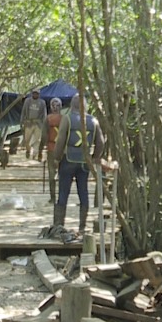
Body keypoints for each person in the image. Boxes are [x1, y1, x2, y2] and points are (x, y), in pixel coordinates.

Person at [52, 93, 104, 235]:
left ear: (72, 105)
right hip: (84, 162)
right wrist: (94, 157)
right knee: (83, 192)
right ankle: (82, 226)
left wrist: (56, 158)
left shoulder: (67, 119)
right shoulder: (93, 121)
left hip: (68, 160)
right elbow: (101, 142)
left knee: (63, 192)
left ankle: (59, 225)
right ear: (85, 105)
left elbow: (60, 141)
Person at [42, 97, 64, 203]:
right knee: (62, 173)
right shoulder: (65, 118)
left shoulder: (48, 118)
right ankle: (60, 197)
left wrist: (41, 148)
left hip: (52, 149)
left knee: (52, 173)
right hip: (61, 149)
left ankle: (53, 197)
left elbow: (44, 135)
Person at [21, 89, 46, 159]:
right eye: (34, 93)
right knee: (27, 140)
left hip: (38, 123)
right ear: (32, 94)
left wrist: (44, 124)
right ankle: (28, 150)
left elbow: (44, 114)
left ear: (39, 94)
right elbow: (23, 112)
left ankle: (35, 153)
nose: (35, 95)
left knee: (37, 140)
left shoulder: (42, 102)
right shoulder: (27, 101)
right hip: (28, 123)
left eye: (37, 93)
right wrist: (22, 122)